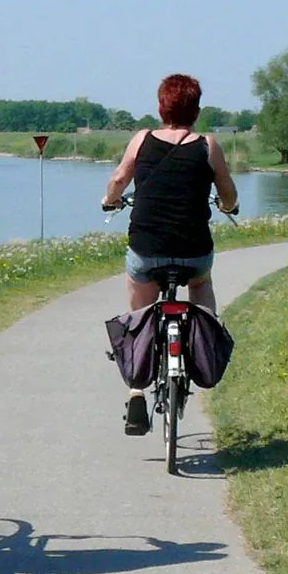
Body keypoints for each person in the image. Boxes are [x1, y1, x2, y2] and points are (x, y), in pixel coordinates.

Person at [100, 74, 238, 436]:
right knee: (202, 282)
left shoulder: (141, 139)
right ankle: (204, 339)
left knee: (140, 309)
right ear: (196, 109)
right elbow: (229, 194)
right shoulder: (208, 145)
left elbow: (118, 181)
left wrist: (109, 200)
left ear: (161, 107)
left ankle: (135, 390)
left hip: (147, 250)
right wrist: (229, 206)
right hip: (193, 252)